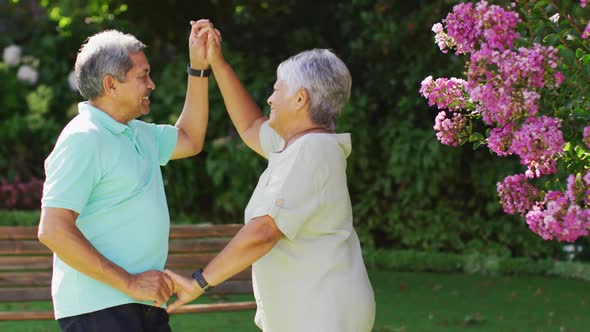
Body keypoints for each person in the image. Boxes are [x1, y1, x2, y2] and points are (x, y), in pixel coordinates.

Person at [165, 26, 376, 332]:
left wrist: (200, 281)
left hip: (322, 316)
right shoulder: (296, 146)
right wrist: (216, 63)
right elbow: (251, 125)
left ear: (301, 98)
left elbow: (263, 232)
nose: (270, 98)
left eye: (277, 90)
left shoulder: (311, 151)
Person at [38, 20, 214, 331]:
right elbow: (53, 229)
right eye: (143, 76)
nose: (151, 85)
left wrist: (198, 68)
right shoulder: (83, 138)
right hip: (100, 310)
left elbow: (190, 138)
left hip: (145, 302)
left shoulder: (139, 133)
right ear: (111, 85)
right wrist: (129, 282)